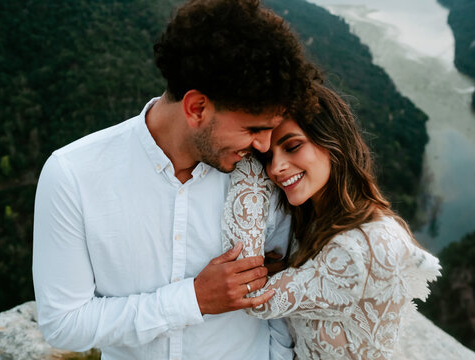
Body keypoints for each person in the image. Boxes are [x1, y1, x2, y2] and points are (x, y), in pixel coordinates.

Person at [32, 1, 320, 359]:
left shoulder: (266, 172)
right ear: (196, 107)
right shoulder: (72, 175)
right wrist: (194, 299)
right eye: (253, 129)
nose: (264, 144)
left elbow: (287, 286)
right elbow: (63, 324)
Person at [222, 84, 441, 359]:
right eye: (267, 157)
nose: (275, 168)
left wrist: (248, 161)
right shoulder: (318, 219)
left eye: (292, 146)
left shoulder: (363, 245)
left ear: (332, 141)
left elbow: (253, 297)